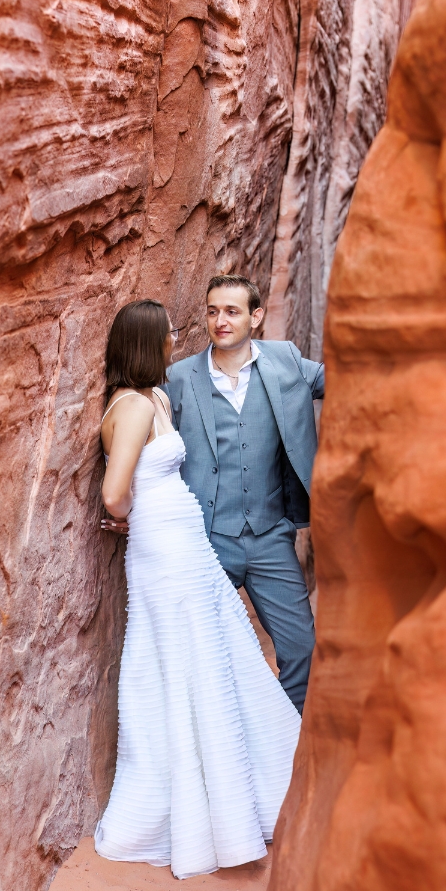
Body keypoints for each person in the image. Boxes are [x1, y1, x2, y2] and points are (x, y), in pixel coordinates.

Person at [94, 299, 300, 881]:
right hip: (163, 548)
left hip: (187, 544)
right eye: (166, 334)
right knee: (183, 665)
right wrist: (135, 517)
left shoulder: (156, 398)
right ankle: (202, 815)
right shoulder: (131, 408)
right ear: (146, 342)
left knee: (216, 655)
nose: (173, 340)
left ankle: (242, 788)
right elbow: (114, 491)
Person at [163, 275, 324, 713]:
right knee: (200, 659)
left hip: (270, 536)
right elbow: (146, 439)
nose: (220, 320)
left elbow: (344, 382)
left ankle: (285, 743)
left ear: (255, 316)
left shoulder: (286, 360)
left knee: (302, 648)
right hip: (206, 540)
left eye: (231, 311)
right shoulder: (178, 378)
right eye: (213, 310)